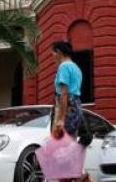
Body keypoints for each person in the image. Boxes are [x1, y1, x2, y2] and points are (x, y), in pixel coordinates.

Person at [50, 40, 90, 182]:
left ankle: (79, 176)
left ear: (59, 52)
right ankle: (79, 175)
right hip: (76, 107)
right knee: (67, 148)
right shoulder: (76, 68)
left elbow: (64, 93)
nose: (53, 56)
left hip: (66, 108)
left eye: (53, 53)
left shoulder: (64, 67)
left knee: (60, 151)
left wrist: (60, 118)